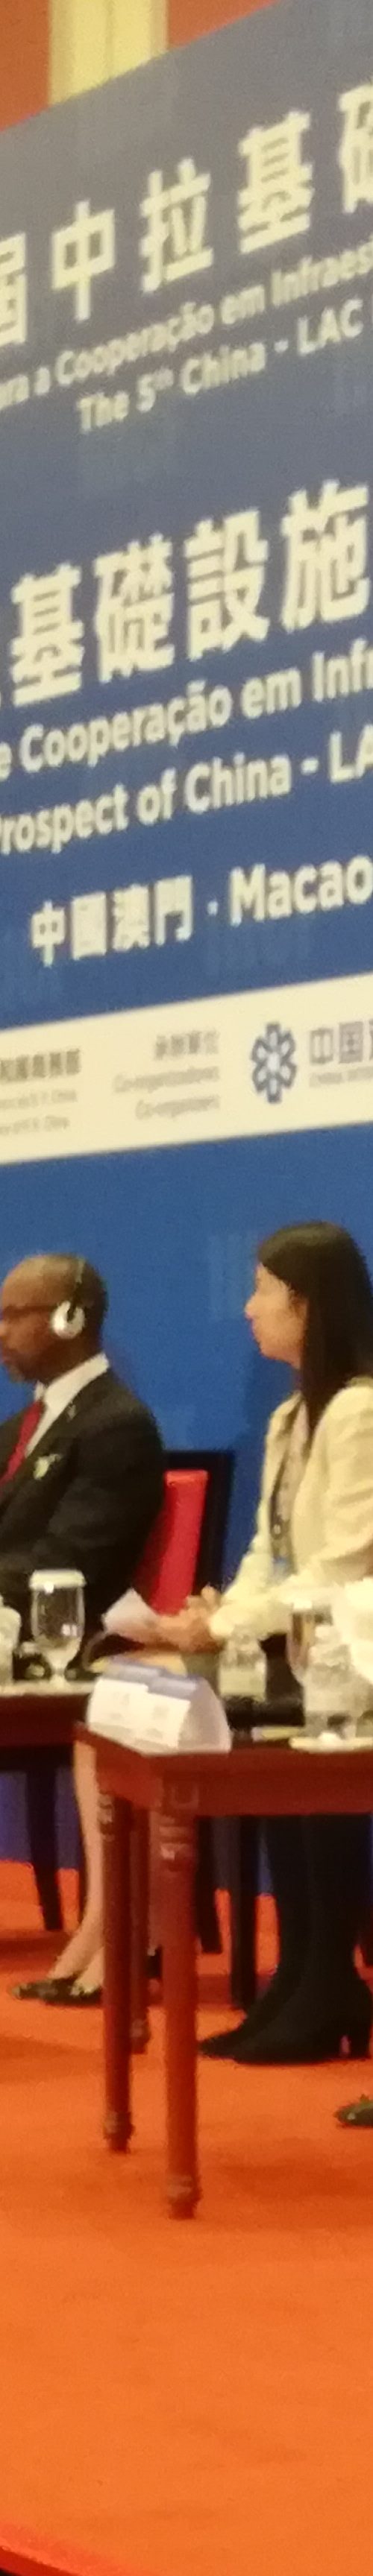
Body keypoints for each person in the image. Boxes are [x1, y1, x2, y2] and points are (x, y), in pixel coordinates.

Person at [118, 1220, 373, 2064]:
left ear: (309, 1304)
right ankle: (301, 1975)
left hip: (354, 1651)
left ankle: (327, 1980)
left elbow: (341, 1565)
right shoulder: (290, 1416)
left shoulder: (360, 1411)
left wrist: (226, 1625)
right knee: (255, 1723)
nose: (247, 1308)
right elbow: (272, 1552)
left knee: (292, 1732)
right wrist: (217, 1614)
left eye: (263, 1291)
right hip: (299, 1643)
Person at [0, 1252, 163, 1971]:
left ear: (71, 1319)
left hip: (63, 1640)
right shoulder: (24, 1426)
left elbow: (71, 1561)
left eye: (14, 1315)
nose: (1, 1332)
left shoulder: (116, 1425)